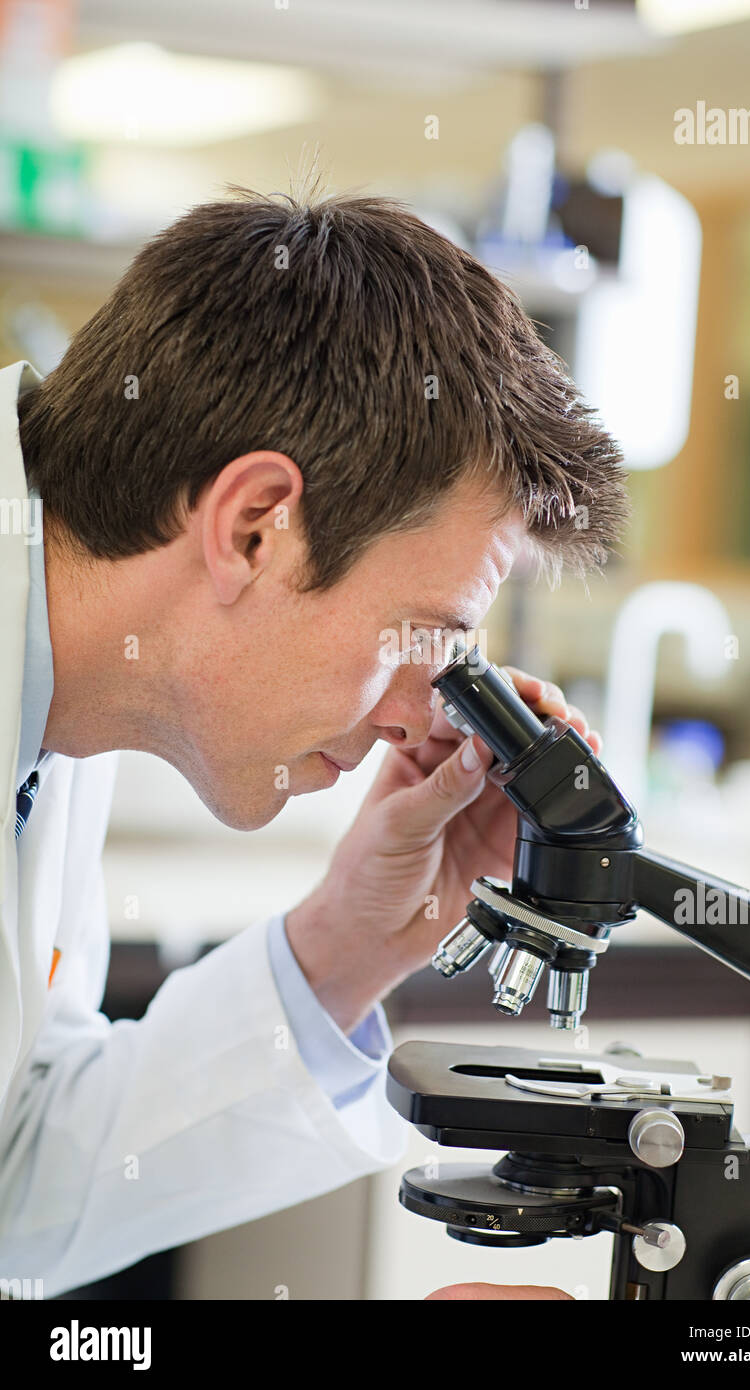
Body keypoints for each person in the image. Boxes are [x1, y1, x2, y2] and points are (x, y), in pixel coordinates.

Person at [0, 182, 628, 1298]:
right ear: (253, 526)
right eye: (420, 635)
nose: (418, 715)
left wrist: (347, 941)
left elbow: (16, 1179)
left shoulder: (65, 700)